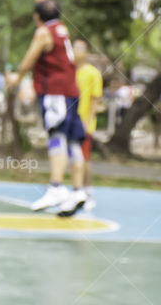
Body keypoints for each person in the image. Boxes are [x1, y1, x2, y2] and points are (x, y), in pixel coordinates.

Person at [5, 0, 87, 217]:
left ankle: (56, 187)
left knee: (56, 135)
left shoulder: (43, 33)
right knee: (73, 141)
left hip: (55, 93)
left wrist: (16, 78)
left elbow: (29, 60)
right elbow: (45, 2)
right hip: (71, 92)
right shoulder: (60, 27)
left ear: (36, 17)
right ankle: (78, 191)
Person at [73, 39, 103, 211]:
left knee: (84, 160)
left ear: (86, 52)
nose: (76, 51)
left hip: (84, 124)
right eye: (74, 47)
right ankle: (76, 192)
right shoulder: (68, 71)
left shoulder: (92, 73)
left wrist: (88, 121)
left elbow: (95, 99)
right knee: (70, 159)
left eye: (80, 48)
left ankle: (88, 192)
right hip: (69, 124)